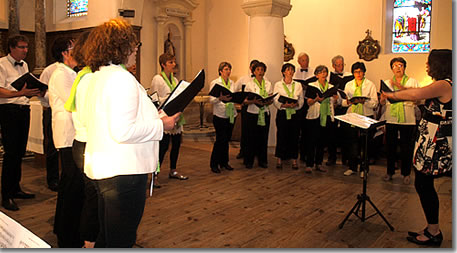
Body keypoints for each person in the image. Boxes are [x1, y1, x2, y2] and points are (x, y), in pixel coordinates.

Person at [83, 18, 180, 248]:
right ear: (120, 46)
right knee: (120, 241)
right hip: (123, 174)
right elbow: (122, 131)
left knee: (107, 238)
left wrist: (153, 116)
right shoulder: (121, 78)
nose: (136, 48)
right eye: (133, 43)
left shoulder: (98, 76)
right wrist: (162, 126)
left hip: (106, 169)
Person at [382, 49, 452, 247]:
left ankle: (434, 232)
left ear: (439, 64)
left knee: (424, 184)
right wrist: (399, 87)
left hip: (436, 144)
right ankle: (431, 228)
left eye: (429, 63)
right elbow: (419, 97)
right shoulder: (442, 84)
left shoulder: (444, 84)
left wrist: (392, 94)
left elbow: (416, 93)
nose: (427, 66)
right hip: (431, 141)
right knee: (423, 183)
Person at [48, 36, 84, 248]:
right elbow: (75, 103)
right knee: (71, 184)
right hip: (68, 135)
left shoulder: (71, 73)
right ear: (65, 52)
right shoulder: (62, 74)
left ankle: (64, 228)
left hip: (72, 134)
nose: (78, 51)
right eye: (74, 47)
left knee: (71, 184)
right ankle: (67, 235)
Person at [63, 30, 99, 248]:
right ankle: (89, 244)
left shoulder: (84, 75)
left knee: (92, 198)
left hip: (83, 143)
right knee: (93, 201)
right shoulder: (89, 78)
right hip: (88, 144)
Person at [0, 35, 41, 211]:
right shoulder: (1, 64)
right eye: (22, 47)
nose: (25, 50)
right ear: (11, 48)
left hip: (23, 110)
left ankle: (15, 188)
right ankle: (6, 195)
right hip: (8, 111)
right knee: (10, 154)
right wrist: (20, 93)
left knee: (19, 152)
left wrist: (34, 91)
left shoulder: (24, 65)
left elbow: (23, 88)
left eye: (26, 47)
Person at [380, 57, 419, 185]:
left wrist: (402, 90)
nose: (398, 68)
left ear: (404, 67)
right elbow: (382, 102)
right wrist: (382, 98)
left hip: (407, 119)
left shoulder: (412, 81)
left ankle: (406, 173)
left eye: (400, 65)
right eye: (395, 65)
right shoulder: (387, 83)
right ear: (391, 68)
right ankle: (390, 172)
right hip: (391, 117)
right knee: (390, 146)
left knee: (406, 147)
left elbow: (418, 100)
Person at [150, 53, 188, 182]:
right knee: (163, 147)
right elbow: (154, 99)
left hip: (175, 116)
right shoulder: (157, 79)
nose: (173, 64)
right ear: (163, 64)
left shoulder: (175, 80)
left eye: (174, 62)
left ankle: (173, 170)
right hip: (164, 117)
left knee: (176, 145)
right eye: (170, 62)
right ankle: (155, 174)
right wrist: (168, 98)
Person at [341, 62, 378, 177]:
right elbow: (342, 102)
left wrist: (364, 101)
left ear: (364, 72)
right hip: (352, 116)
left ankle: (364, 168)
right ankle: (352, 167)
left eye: (360, 71)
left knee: (365, 144)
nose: (358, 74)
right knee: (352, 143)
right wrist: (348, 101)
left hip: (366, 116)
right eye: (356, 72)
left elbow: (375, 103)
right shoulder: (349, 85)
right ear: (353, 73)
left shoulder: (370, 84)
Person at [304, 65, 338, 173]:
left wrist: (336, 100)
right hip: (315, 116)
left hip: (327, 115)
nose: (324, 74)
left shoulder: (331, 86)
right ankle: (309, 164)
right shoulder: (312, 86)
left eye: (325, 72)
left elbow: (334, 104)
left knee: (322, 142)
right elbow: (308, 102)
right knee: (311, 141)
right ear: (316, 75)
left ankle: (318, 163)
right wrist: (316, 99)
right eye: (321, 72)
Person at [273, 63, 303, 170]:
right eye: (288, 69)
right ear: (283, 72)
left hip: (294, 113)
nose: (290, 72)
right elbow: (275, 99)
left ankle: (294, 160)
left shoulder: (298, 85)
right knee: (281, 135)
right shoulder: (278, 84)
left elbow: (301, 100)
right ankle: (279, 159)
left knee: (294, 137)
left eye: (292, 70)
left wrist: (296, 104)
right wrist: (283, 105)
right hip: (283, 113)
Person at [243, 61, 273, 169]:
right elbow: (245, 101)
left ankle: (262, 161)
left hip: (265, 113)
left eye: (262, 70)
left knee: (263, 138)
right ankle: (249, 161)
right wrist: (254, 101)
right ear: (254, 72)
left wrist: (267, 101)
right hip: (252, 113)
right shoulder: (249, 84)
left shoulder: (268, 84)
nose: (260, 72)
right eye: (258, 70)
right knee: (251, 138)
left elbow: (271, 99)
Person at [208, 62, 237, 173]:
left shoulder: (232, 83)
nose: (228, 71)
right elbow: (211, 99)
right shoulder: (215, 82)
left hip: (231, 114)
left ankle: (224, 162)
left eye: (229, 69)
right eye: (226, 69)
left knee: (226, 140)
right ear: (220, 71)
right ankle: (214, 164)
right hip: (220, 115)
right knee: (220, 140)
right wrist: (220, 98)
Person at [39, 55, 59, 192]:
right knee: (51, 146)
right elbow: (41, 92)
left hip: (70, 113)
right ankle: (52, 179)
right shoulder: (50, 70)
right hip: (52, 110)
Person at [328, 55, 354, 166]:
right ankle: (332, 157)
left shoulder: (349, 76)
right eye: (338, 65)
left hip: (346, 107)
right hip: (335, 107)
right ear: (333, 66)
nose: (340, 67)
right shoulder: (330, 76)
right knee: (332, 134)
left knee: (346, 133)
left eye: (342, 65)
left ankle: (346, 158)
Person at [233, 59, 259, 160]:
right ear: (250, 68)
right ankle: (243, 151)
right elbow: (235, 90)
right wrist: (240, 100)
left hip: (258, 107)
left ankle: (256, 151)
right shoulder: (243, 79)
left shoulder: (263, 79)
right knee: (245, 131)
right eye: (253, 67)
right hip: (246, 107)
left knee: (256, 130)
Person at [293, 52, 314, 166]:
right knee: (297, 128)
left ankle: (306, 153)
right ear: (299, 62)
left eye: (306, 60)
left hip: (309, 102)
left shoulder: (312, 71)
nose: (305, 62)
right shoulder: (295, 72)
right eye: (303, 60)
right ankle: (296, 154)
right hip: (298, 103)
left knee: (307, 129)